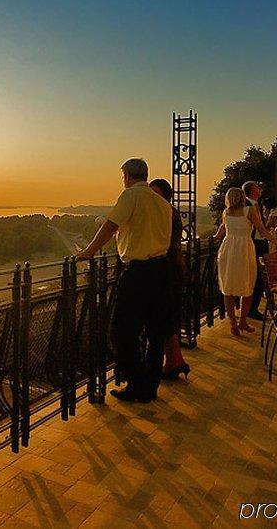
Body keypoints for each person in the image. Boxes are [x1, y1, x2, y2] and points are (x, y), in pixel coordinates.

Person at [77, 159, 171, 403]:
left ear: (127, 176)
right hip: (161, 270)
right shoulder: (162, 203)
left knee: (122, 330)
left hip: (137, 271)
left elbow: (111, 225)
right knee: (154, 332)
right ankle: (149, 385)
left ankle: (137, 383)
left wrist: (89, 251)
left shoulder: (130, 196)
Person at [212, 187, 277, 336]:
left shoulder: (225, 212)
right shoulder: (249, 211)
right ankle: (242, 320)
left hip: (228, 249)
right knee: (248, 285)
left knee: (228, 287)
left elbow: (220, 233)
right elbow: (262, 230)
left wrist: (214, 239)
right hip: (244, 249)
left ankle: (233, 323)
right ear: (242, 197)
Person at [148, 178, 190, 381]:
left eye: (156, 193)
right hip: (172, 267)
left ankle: (173, 362)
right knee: (166, 319)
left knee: (162, 318)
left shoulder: (164, 213)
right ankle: (176, 361)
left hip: (165, 269)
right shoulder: (170, 212)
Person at [242, 181, 267, 322]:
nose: (260, 189)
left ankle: (253, 308)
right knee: (255, 277)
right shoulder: (247, 205)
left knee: (259, 277)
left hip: (259, 243)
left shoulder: (255, 205)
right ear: (251, 191)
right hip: (254, 244)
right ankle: (251, 309)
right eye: (257, 187)